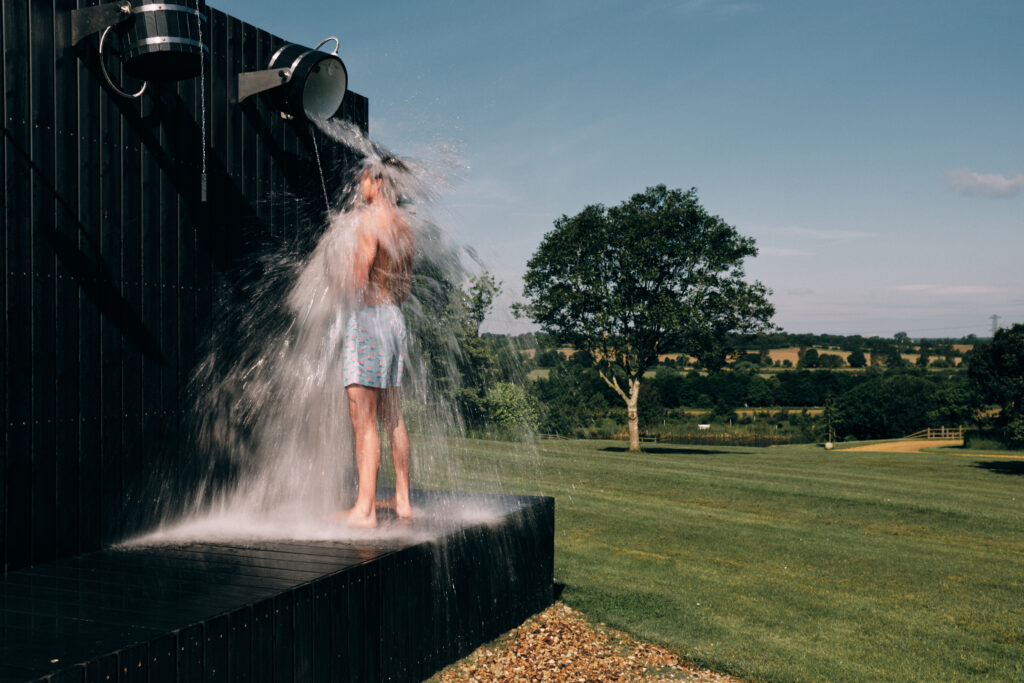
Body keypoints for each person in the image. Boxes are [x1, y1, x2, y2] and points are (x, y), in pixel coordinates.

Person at [339, 157, 415, 527]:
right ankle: (402, 498)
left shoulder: (368, 222)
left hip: (369, 320)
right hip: (393, 321)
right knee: (392, 414)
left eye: (362, 179)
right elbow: (404, 289)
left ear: (376, 180)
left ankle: (364, 510)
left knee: (363, 418)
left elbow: (356, 280)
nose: (359, 186)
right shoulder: (405, 228)